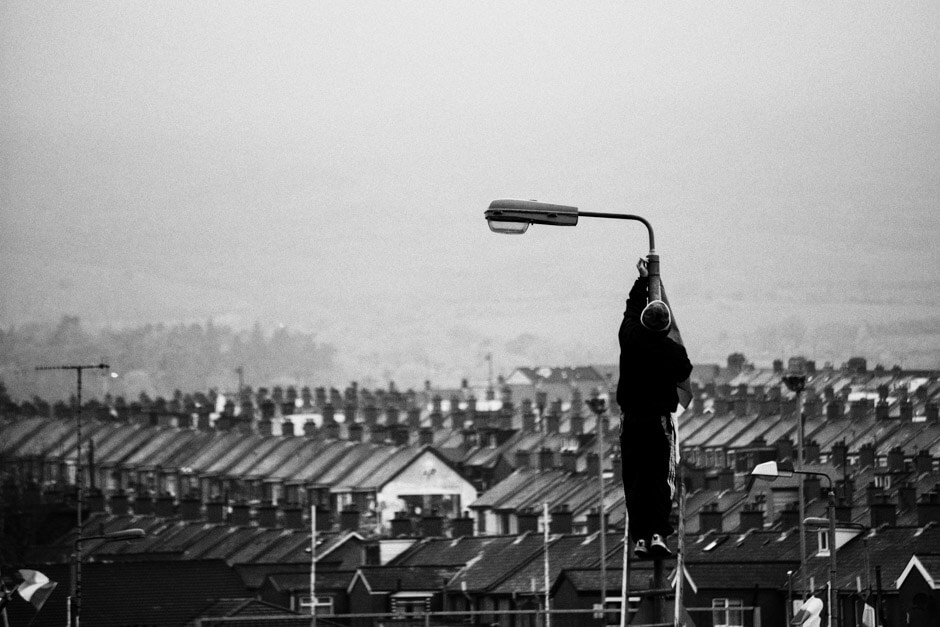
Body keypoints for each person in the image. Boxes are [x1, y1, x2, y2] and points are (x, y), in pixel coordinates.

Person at [618, 258, 693, 559]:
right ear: (665, 328)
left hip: (631, 421)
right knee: (659, 479)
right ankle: (658, 534)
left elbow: (630, 313)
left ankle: (640, 538)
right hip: (659, 424)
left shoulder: (630, 338)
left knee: (634, 479)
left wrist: (643, 282)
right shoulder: (674, 353)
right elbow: (684, 369)